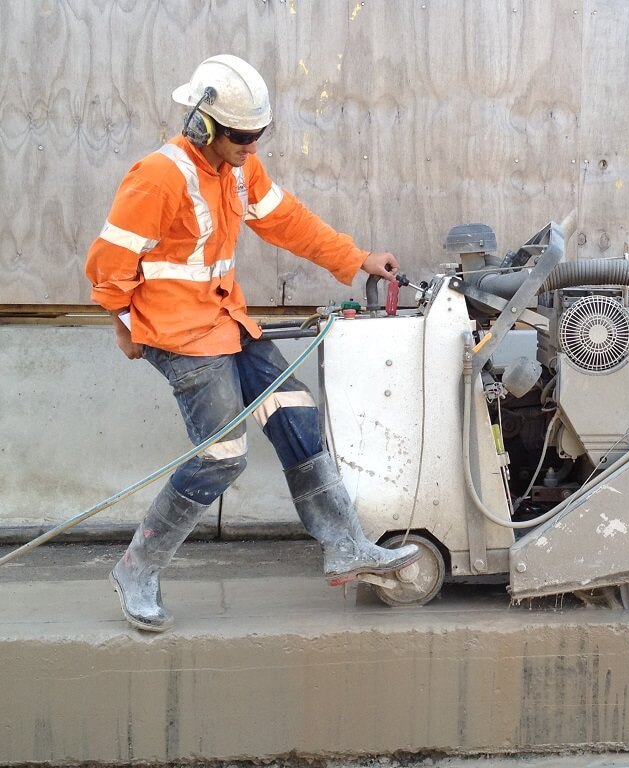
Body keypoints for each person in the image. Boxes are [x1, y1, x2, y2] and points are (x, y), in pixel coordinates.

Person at [84, 54, 420, 633]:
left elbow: (288, 221)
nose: (252, 145)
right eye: (241, 136)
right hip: (180, 335)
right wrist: (123, 325)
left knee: (295, 415)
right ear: (202, 125)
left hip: (226, 321)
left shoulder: (241, 170)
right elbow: (108, 265)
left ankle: (345, 546)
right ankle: (136, 570)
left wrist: (356, 257)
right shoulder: (158, 178)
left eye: (259, 133)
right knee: (221, 456)